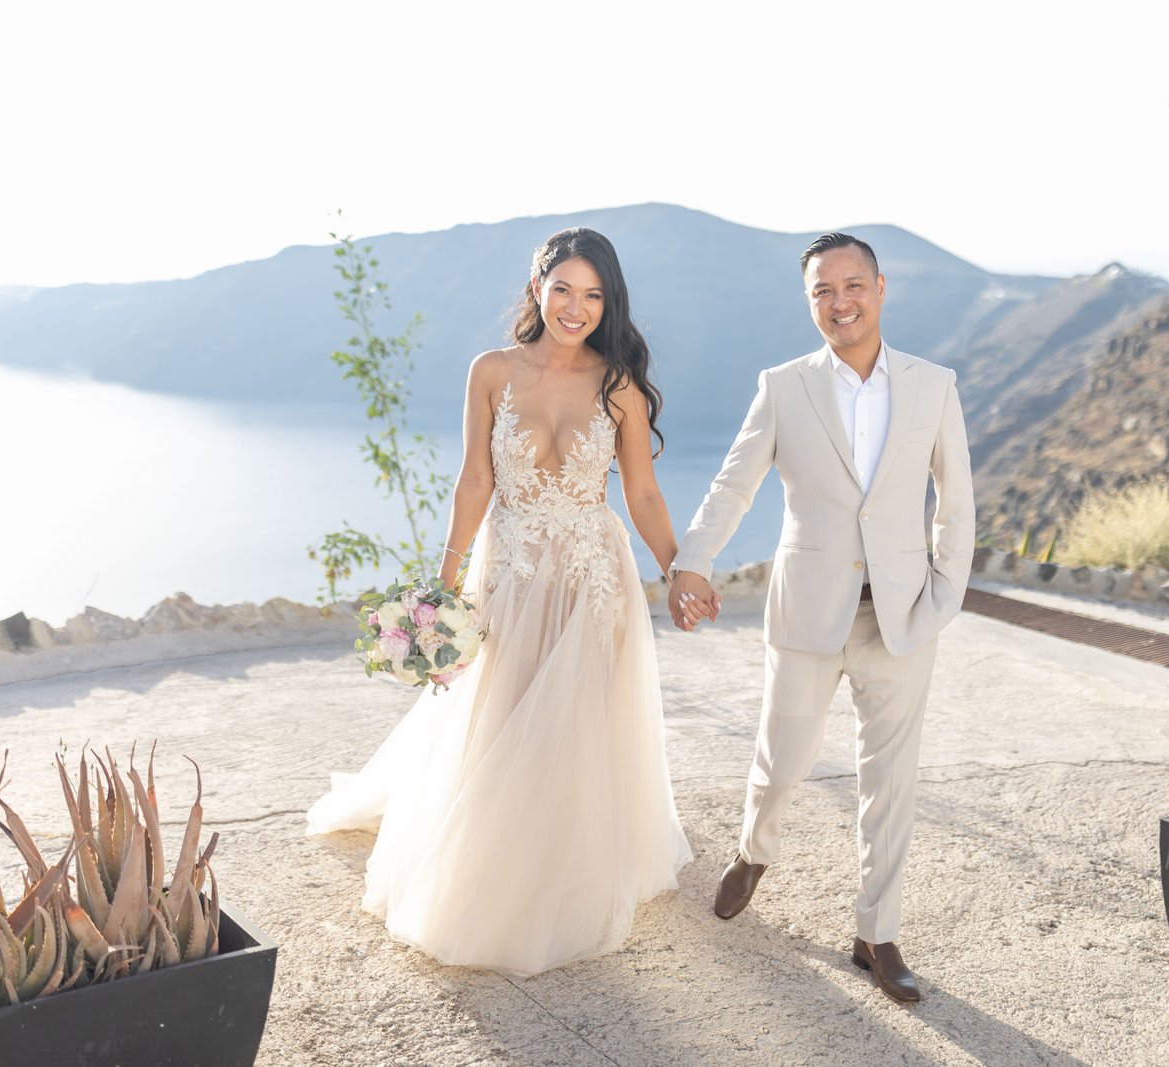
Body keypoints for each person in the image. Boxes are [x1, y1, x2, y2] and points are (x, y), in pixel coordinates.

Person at [308, 227, 693, 977]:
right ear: (536, 287)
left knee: (577, 721)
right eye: (563, 289)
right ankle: (493, 860)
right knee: (504, 712)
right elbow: (474, 483)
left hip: (591, 572)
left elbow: (641, 490)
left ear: (607, 302)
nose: (576, 307)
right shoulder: (491, 371)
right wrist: (442, 591)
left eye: (593, 295)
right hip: (509, 568)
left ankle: (565, 868)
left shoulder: (618, 385)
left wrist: (677, 569)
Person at [667, 232, 974, 1003]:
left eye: (852, 285)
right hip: (807, 609)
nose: (839, 302)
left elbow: (956, 500)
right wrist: (693, 561)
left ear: (880, 287)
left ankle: (878, 932)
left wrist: (944, 594)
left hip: (902, 615)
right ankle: (753, 848)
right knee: (783, 760)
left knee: (891, 780)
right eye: (821, 292)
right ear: (810, 303)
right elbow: (735, 483)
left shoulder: (933, 384)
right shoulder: (784, 385)